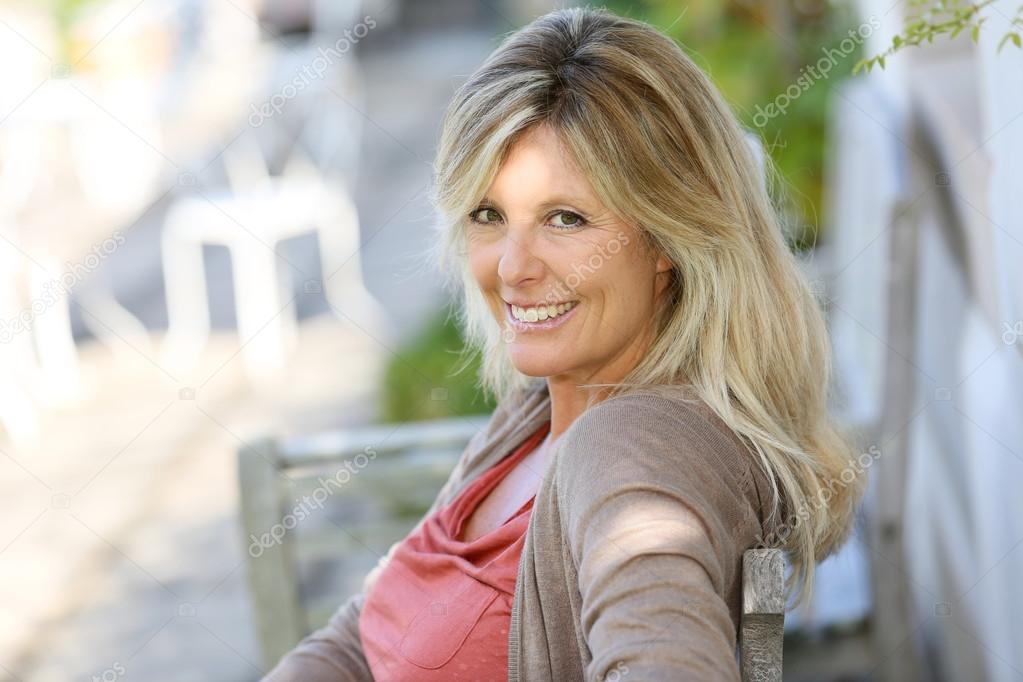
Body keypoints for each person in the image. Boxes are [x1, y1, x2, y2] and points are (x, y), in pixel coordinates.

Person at [263, 6, 864, 680]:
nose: (512, 268)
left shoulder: (632, 455)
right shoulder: (538, 411)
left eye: (565, 218)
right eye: (488, 214)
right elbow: (362, 636)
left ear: (671, 236)